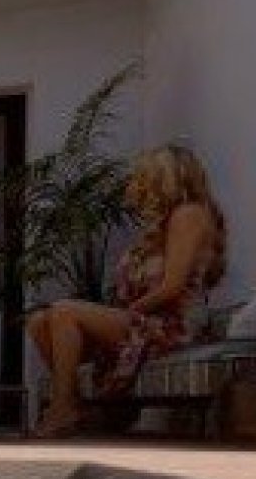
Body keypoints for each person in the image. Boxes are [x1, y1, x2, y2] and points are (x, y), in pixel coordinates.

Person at [28, 144, 228, 438]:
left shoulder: (189, 214)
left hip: (172, 324)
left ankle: (64, 408)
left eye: (143, 177)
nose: (136, 184)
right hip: (147, 318)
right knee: (38, 322)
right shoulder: (160, 225)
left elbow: (172, 287)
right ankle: (80, 407)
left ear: (163, 178)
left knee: (64, 311)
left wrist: (128, 311)